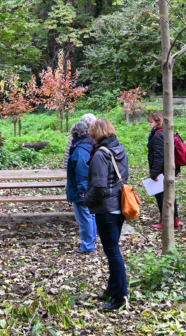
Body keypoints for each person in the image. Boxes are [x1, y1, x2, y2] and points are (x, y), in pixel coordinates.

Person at [85, 118, 129, 311]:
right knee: (113, 250)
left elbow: (99, 187)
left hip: (107, 209)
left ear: (95, 133)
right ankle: (112, 289)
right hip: (119, 206)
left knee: (113, 253)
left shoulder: (99, 154)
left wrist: (86, 200)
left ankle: (120, 296)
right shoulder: (119, 148)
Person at [65, 119, 95, 254]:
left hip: (82, 190)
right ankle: (91, 241)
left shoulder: (80, 149)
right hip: (91, 187)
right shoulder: (90, 144)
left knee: (84, 217)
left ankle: (87, 245)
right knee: (90, 216)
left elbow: (82, 171)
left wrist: (82, 190)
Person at [147, 113, 180, 231]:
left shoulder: (158, 135)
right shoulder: (164, 133)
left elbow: (159, 155)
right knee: (169, 193)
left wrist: (154, 174)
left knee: (161, 195)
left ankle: (165, 220)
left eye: (151, 122)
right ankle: (174, 219)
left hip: (162, 170)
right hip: (167, 169)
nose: (149, 124)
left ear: (158, 122)